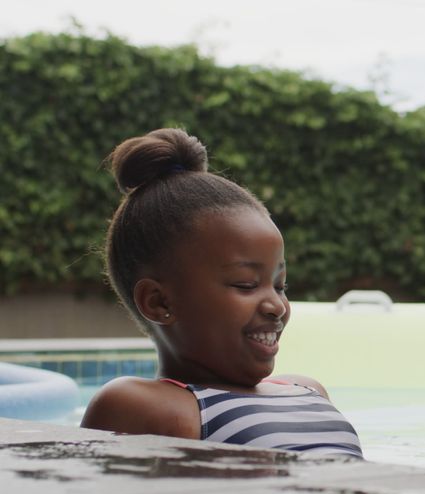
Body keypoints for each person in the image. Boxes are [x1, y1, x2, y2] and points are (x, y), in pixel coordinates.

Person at [80, 128, 363, 458]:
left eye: (280, 285)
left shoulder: (306, 389)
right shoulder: (145, 405)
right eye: (245, 284)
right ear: (158, 302)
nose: (276, 305)